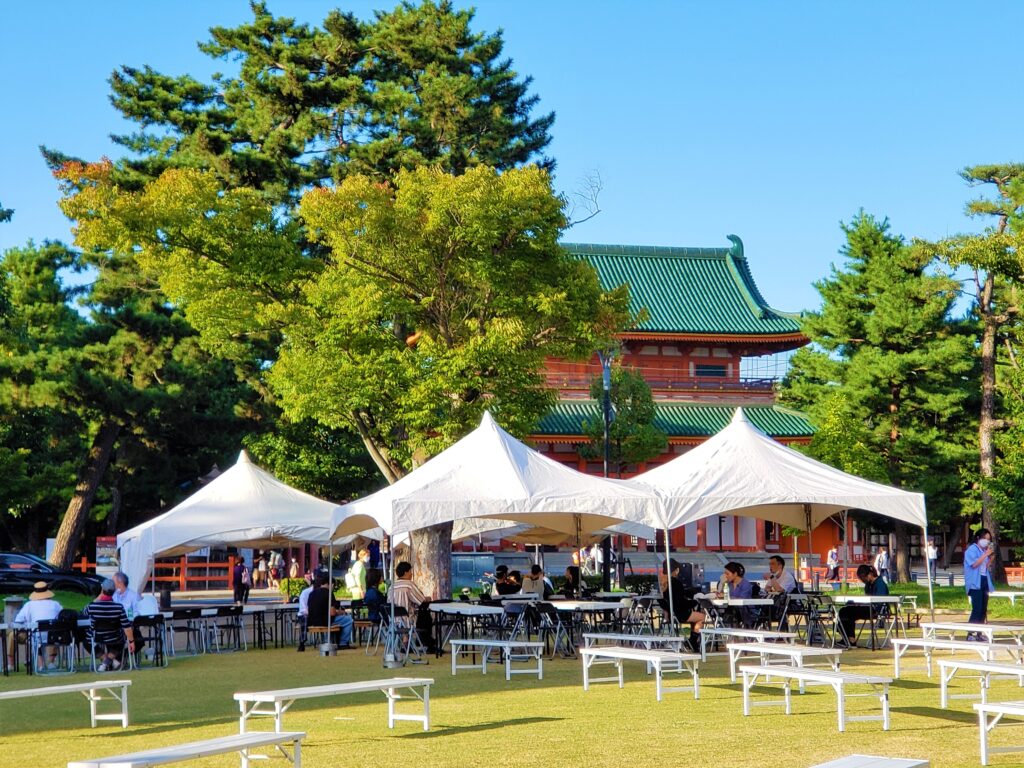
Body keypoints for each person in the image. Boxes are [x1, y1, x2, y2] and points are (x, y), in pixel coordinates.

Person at [6, 581, 63, 670]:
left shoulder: (29, 605)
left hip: (34, 636)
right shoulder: (56, 604)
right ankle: (51, 662)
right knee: (52, 631)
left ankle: (11, 664)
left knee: (12, 635)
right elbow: (62, 618)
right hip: (53, 637)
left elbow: (18, 621)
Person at [84, 578, 136, 671]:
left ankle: (105, 661)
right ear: (114, 592)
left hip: (97, 637)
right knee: (122, 639)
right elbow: (127, 627)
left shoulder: (92, 606)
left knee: (86, 641)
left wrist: (99, 597)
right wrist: (131, 641)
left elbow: (84, 612)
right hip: (115, 637)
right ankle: (108, 661)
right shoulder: (119, 607)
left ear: (102, 590)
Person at [388, 561, 435, 653]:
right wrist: (428, 598)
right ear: (406, 572)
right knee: (426, 618)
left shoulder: (391, 586)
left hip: (393, 620)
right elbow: (420, 600)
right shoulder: (409, 585)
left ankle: (406, 642)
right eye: (410, 571)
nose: (411, 573)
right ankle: (427, 643)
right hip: (408, 619)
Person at [658, 559, 704, 651]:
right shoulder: (676, 583)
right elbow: (681, 603)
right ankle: (692, 640)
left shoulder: (662, 583)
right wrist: (695, 602)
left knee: (695, 617)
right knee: (703, 617)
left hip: (671, 614)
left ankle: (692, 641)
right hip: (680, 613)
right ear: (676, 570)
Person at [838, 564, 889, 646]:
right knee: (844, 610)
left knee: (848, 612)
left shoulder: (880, 584)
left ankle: (850, 639)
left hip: (875, 610)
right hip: (868, 607)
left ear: (870, 574)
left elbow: (880, 601)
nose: (863, 580)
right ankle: (848, 637)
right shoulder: (868, 584)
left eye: (864, 577)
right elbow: (867, 598)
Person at [306, 573, 354, 648]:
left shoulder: (312, 593)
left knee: (338, 620)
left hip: (312, 621)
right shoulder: (329, 594)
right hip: (325, 621)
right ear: (331, 584)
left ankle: (330, 641)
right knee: (349, 619)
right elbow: (332, 613)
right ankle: (343, 643)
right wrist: (341, 612)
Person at [964, 528, 996, 640]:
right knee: (977, 608)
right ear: (978, 538)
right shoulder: (971, 550)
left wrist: (990, 559)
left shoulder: (983, 551)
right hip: (974, 582)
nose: (986, 541)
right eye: (984, 538)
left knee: (983, 608)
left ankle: (979, 633)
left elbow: (984, 567)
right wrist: (986, 554)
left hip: (984, 580)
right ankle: (970, 633)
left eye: (988, 539)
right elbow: (974, 565)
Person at [720, 561, 756, 628]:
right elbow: (723, 594)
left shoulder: (745, 584)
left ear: (735, 574)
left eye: (727, 574)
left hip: (745, 610)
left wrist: (728, 596)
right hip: (732, 609)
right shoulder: (728, 584)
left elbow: (742, 599)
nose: (726, 576)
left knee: (730, 612)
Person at [295, 574, 317, 652]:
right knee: (305, 618)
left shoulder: (321, 592)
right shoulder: (305, 593)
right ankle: (302, 642)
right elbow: (303, 609)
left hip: (315, 615)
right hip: (304, 615)